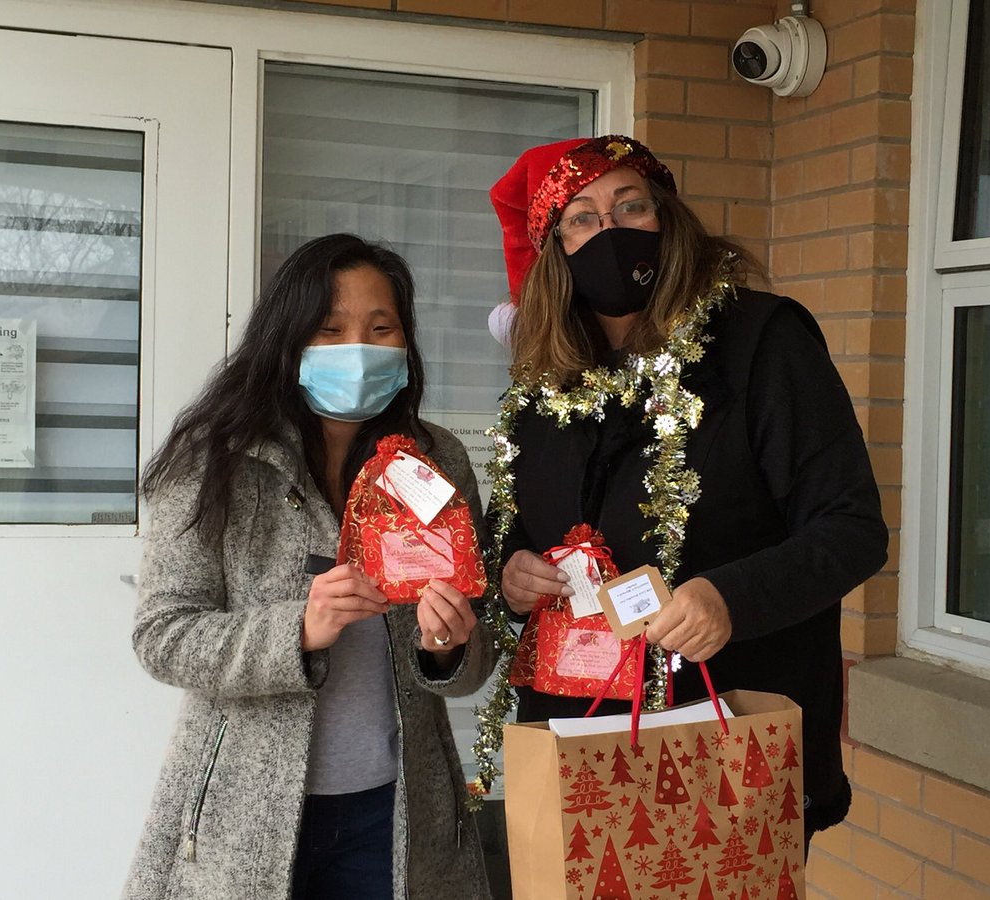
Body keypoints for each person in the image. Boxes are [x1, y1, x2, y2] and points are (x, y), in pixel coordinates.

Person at [485, 135, 888, 847]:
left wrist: (730, 596)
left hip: (724, 746)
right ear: (553, 249)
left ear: (667, 219)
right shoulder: (542, 390)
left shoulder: (760, 342)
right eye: (579, 217)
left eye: (629, 205)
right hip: (575, 744)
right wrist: (512, 572)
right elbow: (510, 536)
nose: (607, 230)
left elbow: (850, 526)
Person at [122, 233, 495, 900]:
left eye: (381, 328)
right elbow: (163, 635)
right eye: (331, 329)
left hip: (399, 811)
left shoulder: (434, 461)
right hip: (246, 814)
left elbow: (470, 660)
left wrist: (447, 649)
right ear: (286, 340)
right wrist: (296, 630)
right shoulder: (215, 461)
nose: (360, 347)